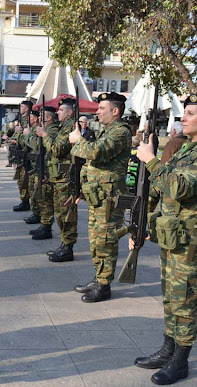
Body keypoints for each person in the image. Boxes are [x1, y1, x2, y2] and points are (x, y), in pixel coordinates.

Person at [131, 93, 197, 385]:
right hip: (172, 235)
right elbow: (162, 194)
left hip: (192, 241)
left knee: (184, 300)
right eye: (184, 113)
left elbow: (176, 187)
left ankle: (180, 361)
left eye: (190, 113)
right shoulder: (186, 150)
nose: (183, 118)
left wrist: (150, 159)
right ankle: (167, 349)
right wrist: (144, 226)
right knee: (170, 296)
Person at [70, 92, 132, 301]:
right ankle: (99, 277)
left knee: (106, 240)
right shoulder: (107, 130)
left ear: (115, 111)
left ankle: (104, 285)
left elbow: (98, 153)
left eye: (101, 108)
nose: (97, 111)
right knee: (96, 240)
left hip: (109, 199)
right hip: (98, 196)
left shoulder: (120, 132)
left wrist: (78, 140)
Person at [44, 98, 77, 262]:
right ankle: (65, 243)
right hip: (59, 177)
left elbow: (56, 149)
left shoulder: (70, 126)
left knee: (66, 214)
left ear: (70, 112)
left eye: (61, 110)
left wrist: (44, 135)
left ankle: (68, 246)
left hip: (66, 179)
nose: (58, 112)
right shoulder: (64, 126)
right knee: (60, 213)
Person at [31, 106, 59, 240]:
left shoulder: (52, 131)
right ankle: (44, 224)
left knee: (46, 199)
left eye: (42, 116)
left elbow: (44, 147)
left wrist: (41, 134)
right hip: (43, 166)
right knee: (41, 198)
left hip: (48, 169)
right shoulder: (46, 130)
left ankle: (47, 226)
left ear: (48, 118)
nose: (39, 118)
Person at [12, 101, 33, 212]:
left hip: (25, 155)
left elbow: (25, 138)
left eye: (22, 106)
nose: (20, 108)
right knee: (21, 180)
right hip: (19, 154)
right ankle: (24, 201)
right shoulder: (21, 119)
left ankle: (26, 202)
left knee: (24, 181)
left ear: (27, 108)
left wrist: (18, 135)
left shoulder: (28, 120)